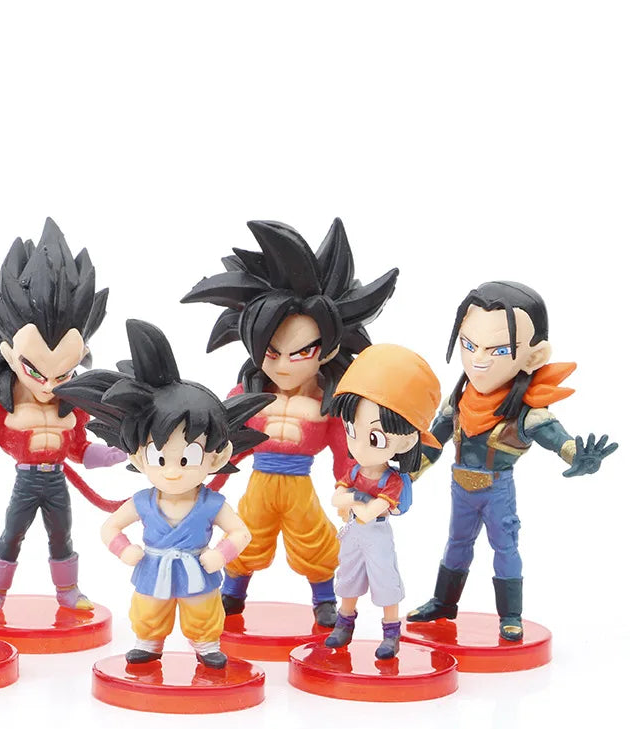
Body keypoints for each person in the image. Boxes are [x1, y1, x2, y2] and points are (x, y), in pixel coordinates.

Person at [181, 218, 398, 626]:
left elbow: (343, 452)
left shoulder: (327, 403)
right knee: (246, 534)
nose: (282, 365)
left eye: (300, 353)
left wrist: (352, 488)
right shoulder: (244, 394)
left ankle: (323, 597)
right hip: (260, 482)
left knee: (313, 537)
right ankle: (233, 593)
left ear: (327, 349)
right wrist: (201, 482)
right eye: (271, 351)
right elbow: (225, 445)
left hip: (299, 483)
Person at [54, 320, 274, 667]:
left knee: (202, 610)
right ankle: (149, 642)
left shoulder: (210, 503)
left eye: (188, 458)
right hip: (152, 569)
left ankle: (206, 645)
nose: (173, 471)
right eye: (159, 457)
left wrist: (221, 554)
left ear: (217, 457)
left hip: (198, 570)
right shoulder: (143, 502)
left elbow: (240, 532)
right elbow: (109, 527)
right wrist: (124, 549)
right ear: (138, 457)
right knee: (149, 609)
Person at [407, 281, 617, 640]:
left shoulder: (527, 412)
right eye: (468, 344)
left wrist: (578, 456)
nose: (479, 359)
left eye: (499, 350)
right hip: (461, 488)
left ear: (534, 357)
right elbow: (433, 443)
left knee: (504, 548)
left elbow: (558, 439)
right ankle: (443, 602)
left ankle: (511, 615)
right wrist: (406, 474)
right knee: (456, 545)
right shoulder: (458, 401)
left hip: (497, 491)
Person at [0, 218, 125, 615]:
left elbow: (81, 450)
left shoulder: (73, 406)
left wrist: (116, 453)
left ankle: (68, 592)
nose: (49, 385)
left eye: (63, 373)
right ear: (8, 354)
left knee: (61, 537)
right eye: (36, 371)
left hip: (56, 483)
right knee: (12, 534)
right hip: (26, 482)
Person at [324, 344, 441, 658]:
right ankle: (344, 624)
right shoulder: (353, 470)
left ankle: (391, 633)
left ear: (407, 440)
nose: (360, 447)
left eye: (375, 438)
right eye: (351, 430)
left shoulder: (392, 480)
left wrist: (354, 500)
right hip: (353, 533)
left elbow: (368, 511)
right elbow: (337, 499)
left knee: (385, 582)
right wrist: (356, 500)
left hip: (376, 533)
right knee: (347, 578)